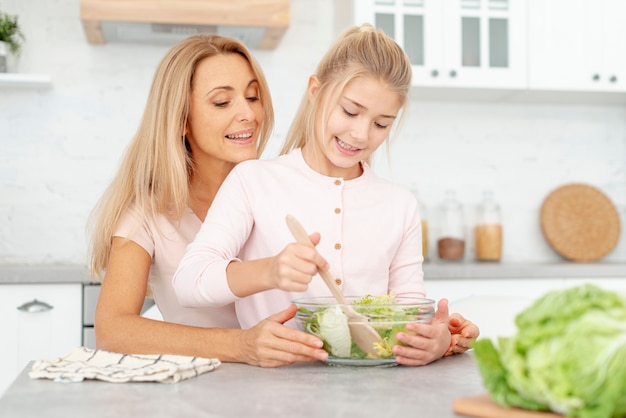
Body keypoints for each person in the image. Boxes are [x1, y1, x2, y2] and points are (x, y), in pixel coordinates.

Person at [172, 24, 479, 366]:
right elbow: (189, 281)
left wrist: (433, 340)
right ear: (315, 91)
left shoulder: (400, 205)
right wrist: (270, 271)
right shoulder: (254, 181)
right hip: (273, 391)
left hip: (373, 391)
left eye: (381, 124)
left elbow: (407, 312)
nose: (361, 134)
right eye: (349, 111)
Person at [87, 34, 329, 367]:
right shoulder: (147, 213)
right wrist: (241, 345)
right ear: (182, 120)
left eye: (253, 96)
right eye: (222, 102)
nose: (248, 114)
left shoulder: (282, 189)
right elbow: (112, 330)